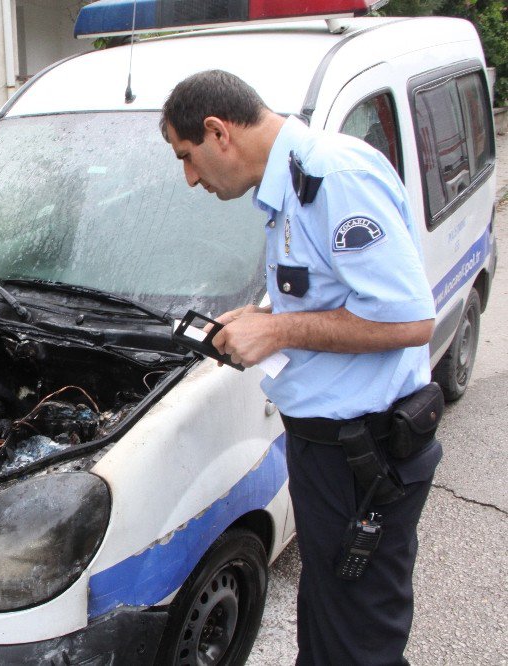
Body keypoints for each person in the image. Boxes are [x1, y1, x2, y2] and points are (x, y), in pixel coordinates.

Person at [160, 69, 442, 665]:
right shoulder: (287, 187)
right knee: (329, 623)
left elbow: (411, 321)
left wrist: (278, 329)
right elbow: (327, 292)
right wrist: (261, 314)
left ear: (218, 133)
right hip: (329, 455)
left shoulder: (334, 177)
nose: (188, 178)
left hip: (366, 460)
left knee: (359, 643)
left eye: (187, 156)